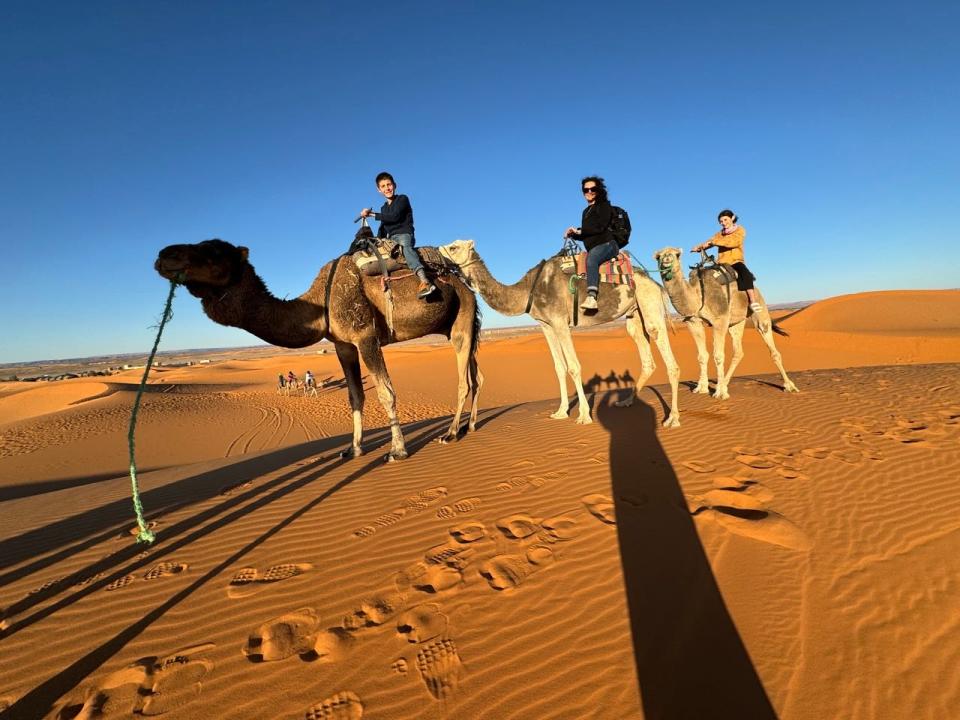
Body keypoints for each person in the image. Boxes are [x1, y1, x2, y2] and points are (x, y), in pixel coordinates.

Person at [359, 172, 436, 299]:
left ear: (394, 185)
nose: (387, 188)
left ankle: (425, 281)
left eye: (389, 184)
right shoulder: (383, 208)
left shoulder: (403, 199)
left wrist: (372, 214)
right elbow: (383, 227)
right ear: (379, 190)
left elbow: (394, 216)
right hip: (390, 239)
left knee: (406, 249)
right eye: (383, 186)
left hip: (404, 234)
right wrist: (375, 241)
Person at [564, 176, 620, 311]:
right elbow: (588, 234)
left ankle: (591, 297)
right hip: (594, 246)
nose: (589, 191)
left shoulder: (604, 205)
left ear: (598, 190)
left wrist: (578, 230)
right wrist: (573, 235)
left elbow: (600, 227)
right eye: (586, 189)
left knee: (591, 259)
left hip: (608, 245)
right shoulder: (585, 212)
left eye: (593, 189)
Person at [691, 209, 762, 313]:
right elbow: (709, 242)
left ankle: (752, 301)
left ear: (732, 218)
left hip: (736, 261)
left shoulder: (740, 230)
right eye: (721, 221)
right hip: (722, 262)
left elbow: (733, 242)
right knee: (706, 276)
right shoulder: (719, 234)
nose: (723, 223)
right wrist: (699, 248)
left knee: (745, 274)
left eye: (725, 220)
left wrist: (714, 242)